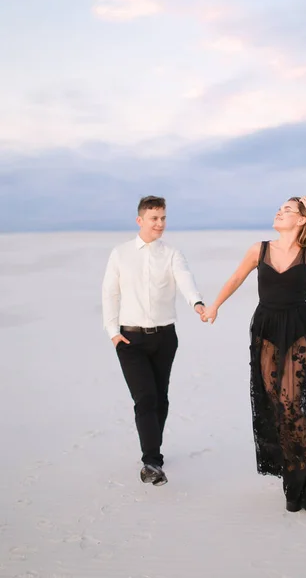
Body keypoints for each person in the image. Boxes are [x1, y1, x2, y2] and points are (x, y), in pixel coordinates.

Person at [202, 196, 306, 511]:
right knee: (278, 407)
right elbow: (236, 278)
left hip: (300, 329)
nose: (279, 211)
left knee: (291, 402)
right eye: (279, 208)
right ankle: (292, 474)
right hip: (266, 329)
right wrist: (214, 305)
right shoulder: (260, 249)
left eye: (288, 210)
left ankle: (304, 483)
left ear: (301, 219)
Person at [102, 196, 205, 486]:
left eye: (163, 218)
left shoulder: (172, 253)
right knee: (145, 398)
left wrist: (196, 303)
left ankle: (153, 450)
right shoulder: (120, 253)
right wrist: (112, 332)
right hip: (130, 339)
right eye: (153, 218)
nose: (159, 224)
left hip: (165, 337)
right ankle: (151, 461)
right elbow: (110, 293)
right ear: (140, 221)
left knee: (160, 397)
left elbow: (185, 279)